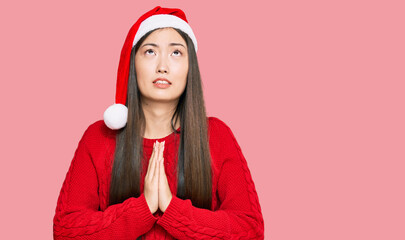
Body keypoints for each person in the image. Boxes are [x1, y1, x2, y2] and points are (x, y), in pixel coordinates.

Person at [53, 6, 264, 240]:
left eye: (176, 53)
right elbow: (66, 231)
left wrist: (171, 209)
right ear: (133, 64)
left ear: (189, 67)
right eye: (150, 52)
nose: (162, 65)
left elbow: (250, 230)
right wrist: (142, 208)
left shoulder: (216, 135)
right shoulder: (98, 137)